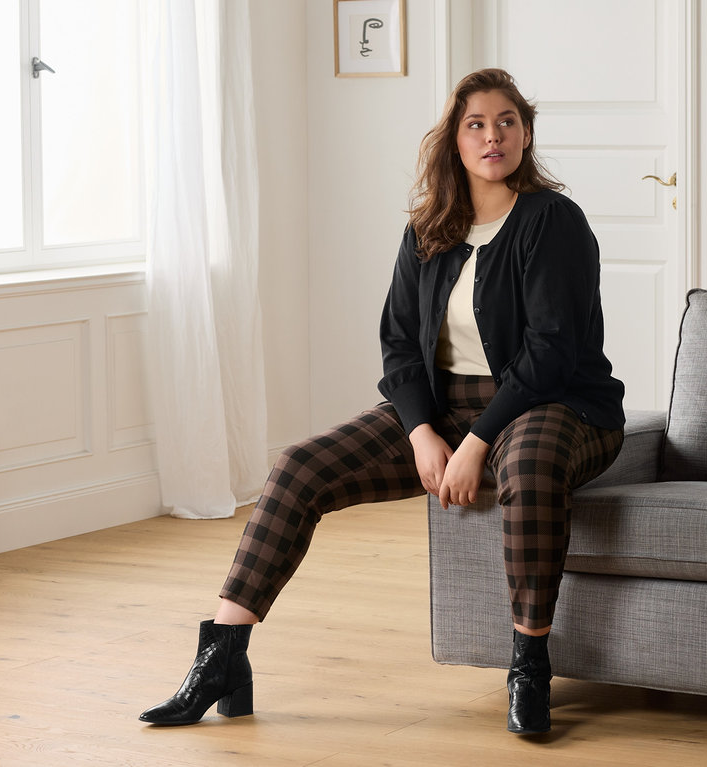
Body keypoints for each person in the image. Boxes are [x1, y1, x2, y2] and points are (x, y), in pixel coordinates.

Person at [139, 68, 625, 735]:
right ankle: (223, 653)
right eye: (476, 124)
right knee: (298, 466)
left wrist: (478, 441)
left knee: (531, 464)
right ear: (454, 141)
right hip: (444, 406)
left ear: (527, 132)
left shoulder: (552, 221)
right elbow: (399, 345)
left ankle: (530, 662)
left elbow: (549, 353)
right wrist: (424, 432)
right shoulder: (428, 230)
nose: (493, 136)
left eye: (507, 121)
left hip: (556, 402)